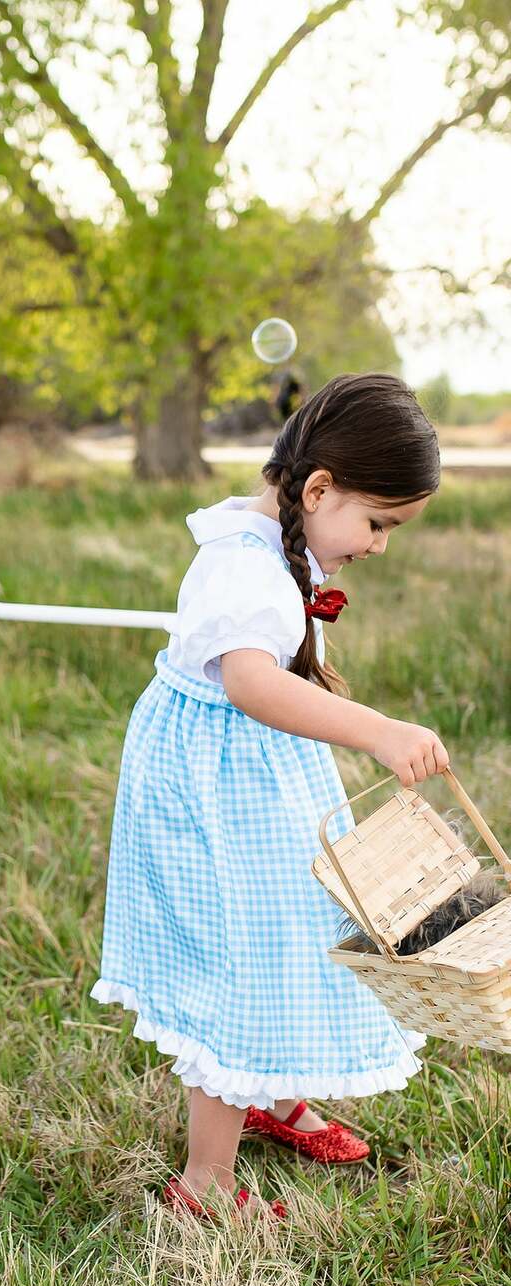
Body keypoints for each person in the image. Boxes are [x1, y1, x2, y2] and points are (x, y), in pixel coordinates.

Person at [92, 373, 449, 1221]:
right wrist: (375, 728)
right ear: (318, 488)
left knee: (294, 928)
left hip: (257, 779)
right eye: (378, 523)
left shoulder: (280, 543)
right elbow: (251, 683)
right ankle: (205, 1183)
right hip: (215, 795)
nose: (380, 545)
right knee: (239, 956)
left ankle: (274, 1094)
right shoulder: (242, 567)